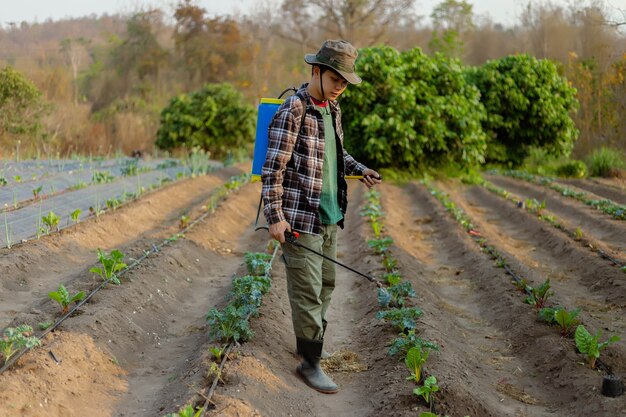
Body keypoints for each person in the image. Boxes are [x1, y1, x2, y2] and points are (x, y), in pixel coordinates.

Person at [261, 39, 381, 394]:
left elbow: (337, 155)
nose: (339, 88)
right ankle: (310, 363)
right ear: (316, 71)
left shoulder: (332, 110)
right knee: (308, 290)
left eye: (344, 83)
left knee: (327, 284)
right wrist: (275, 216)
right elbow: (273, 169)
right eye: (335, 80)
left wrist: (361, 170)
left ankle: (309, 344)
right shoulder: (293, 110)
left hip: (330, 215)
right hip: (300, 218)